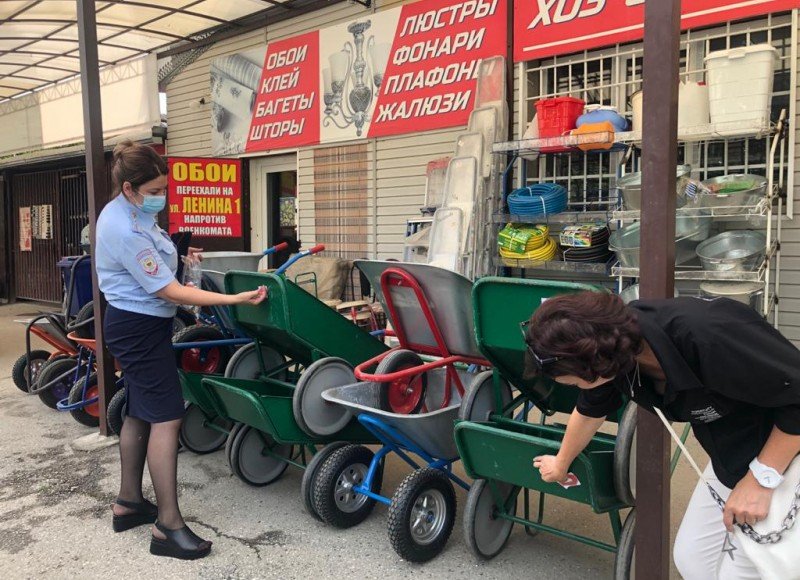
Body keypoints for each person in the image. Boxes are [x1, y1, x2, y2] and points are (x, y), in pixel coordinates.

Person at [524, 291, 800, 579]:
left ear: (593, 364)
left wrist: (760, 479)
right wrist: (560, 462)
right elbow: (591, 409)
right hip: (730, 456)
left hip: (783, 453)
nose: (565, 384)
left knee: (748, 572)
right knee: (692, 560)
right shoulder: (615, 353)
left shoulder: (709, 334)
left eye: (566, 379)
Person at [95, 140, 266, 560]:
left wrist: (180, 254)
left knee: (138, 408)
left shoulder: (127, 211)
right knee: (168, 416)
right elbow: (169, 290)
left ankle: (129, 503)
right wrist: (235, 300)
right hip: (137, 328)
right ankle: (168, 526)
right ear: (131, 188)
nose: (161, 197)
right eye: (154, 191)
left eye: (162, 190)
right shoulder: (123, 227)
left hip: (138, 324)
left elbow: (157, 262)